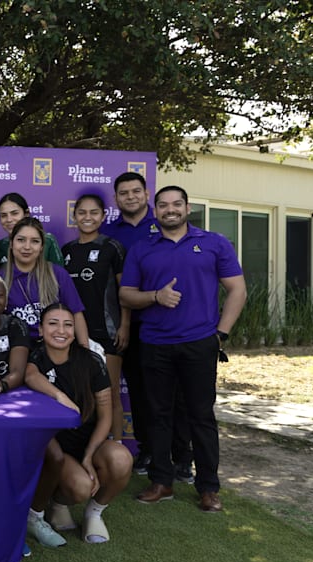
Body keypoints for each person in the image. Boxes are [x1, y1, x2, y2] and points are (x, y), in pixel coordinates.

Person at [121, 185, 246, 513]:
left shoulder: (214, 243)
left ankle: (208, 488)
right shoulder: (141, 249)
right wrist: (155, 297)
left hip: (199, 344)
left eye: (176, 204)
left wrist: (221, 334)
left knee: (201, 417)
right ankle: (162, 483)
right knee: (158, 416)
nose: (170, 210)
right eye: (163, 205)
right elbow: (126, 295)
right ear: (155, 210)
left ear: (187, 208)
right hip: (155, 344)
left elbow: (237, 290)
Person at [101, 172, 192, 478]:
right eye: (123, 193)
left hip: (163, 323)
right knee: (139, 392)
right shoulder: (109, 232)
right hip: (125, 325)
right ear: (116, 199)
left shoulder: (164, 226)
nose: (130, 197)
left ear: (146, 194)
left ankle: (182, 457)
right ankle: (147, 450)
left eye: (135, 192)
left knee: (173, 394)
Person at [24, 303, 133, 544]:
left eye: (67, 324)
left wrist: (89, 455)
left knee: (121, 459)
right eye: (53, 324)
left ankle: (95, 513)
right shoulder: (35, 357)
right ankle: (58, 502)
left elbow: (105, 416)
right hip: (57, 448)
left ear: (75, 331)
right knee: (80, 487)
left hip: (89, 440)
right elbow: (30, 375)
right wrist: (60, 396)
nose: (60, 330)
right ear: (41, 330)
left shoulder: (92, 361)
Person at [62, 194, 129, 442]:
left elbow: (125, 293)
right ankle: (83, 447)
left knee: (109, 394)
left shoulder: (112, 247)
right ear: (74, 216)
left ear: (103, 216)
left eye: (93, 213)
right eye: (82, 212)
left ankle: (116, 448)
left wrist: (125, 325)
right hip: (72, 335)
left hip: (106, 332)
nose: (87, 218)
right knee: (81, 392)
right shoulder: (67, 251)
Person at [3, 218, 88, 345]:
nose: (27, 247)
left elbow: (76, 314)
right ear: (11, 243)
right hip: (16, 348)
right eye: (21, 240)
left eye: (35, 241)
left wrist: (85, 352)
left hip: (54, 348)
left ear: (42, 247)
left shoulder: (58, 274)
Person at [0, 193, 63, 267]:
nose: (9, 219)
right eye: (3, 215)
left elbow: (59, 275)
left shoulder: (48, 240)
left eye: (14, 213)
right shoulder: (1, 245)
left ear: (26, 214)